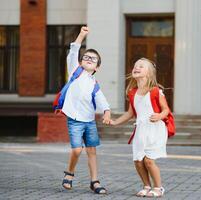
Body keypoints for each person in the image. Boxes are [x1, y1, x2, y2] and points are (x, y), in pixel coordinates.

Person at [59, 26, 111, 194]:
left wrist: (107, 112)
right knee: (76, 149)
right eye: (86, 57)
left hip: (89, 121)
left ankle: (94, 181)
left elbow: (101, 99)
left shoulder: (94, 84)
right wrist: (81, 35)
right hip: (74, 119)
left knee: (91, 151)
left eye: (93, 59)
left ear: (97, 67)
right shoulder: (75, 71)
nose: (89, 59)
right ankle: (70, 173)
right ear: (81, 62)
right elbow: (74, 51)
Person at [110, 58, 171, 197]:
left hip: (155, 129)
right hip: (141, 129)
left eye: (141, 66)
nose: (136, 67)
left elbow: (166, 110)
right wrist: (115, 122)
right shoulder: (132, 92)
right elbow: (130, 113)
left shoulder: (155, 91)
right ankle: (146, 185)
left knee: (149, 161)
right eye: (135, 66)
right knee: (138, 161)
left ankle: (158, 187)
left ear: (149, 73)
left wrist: (160, 116)